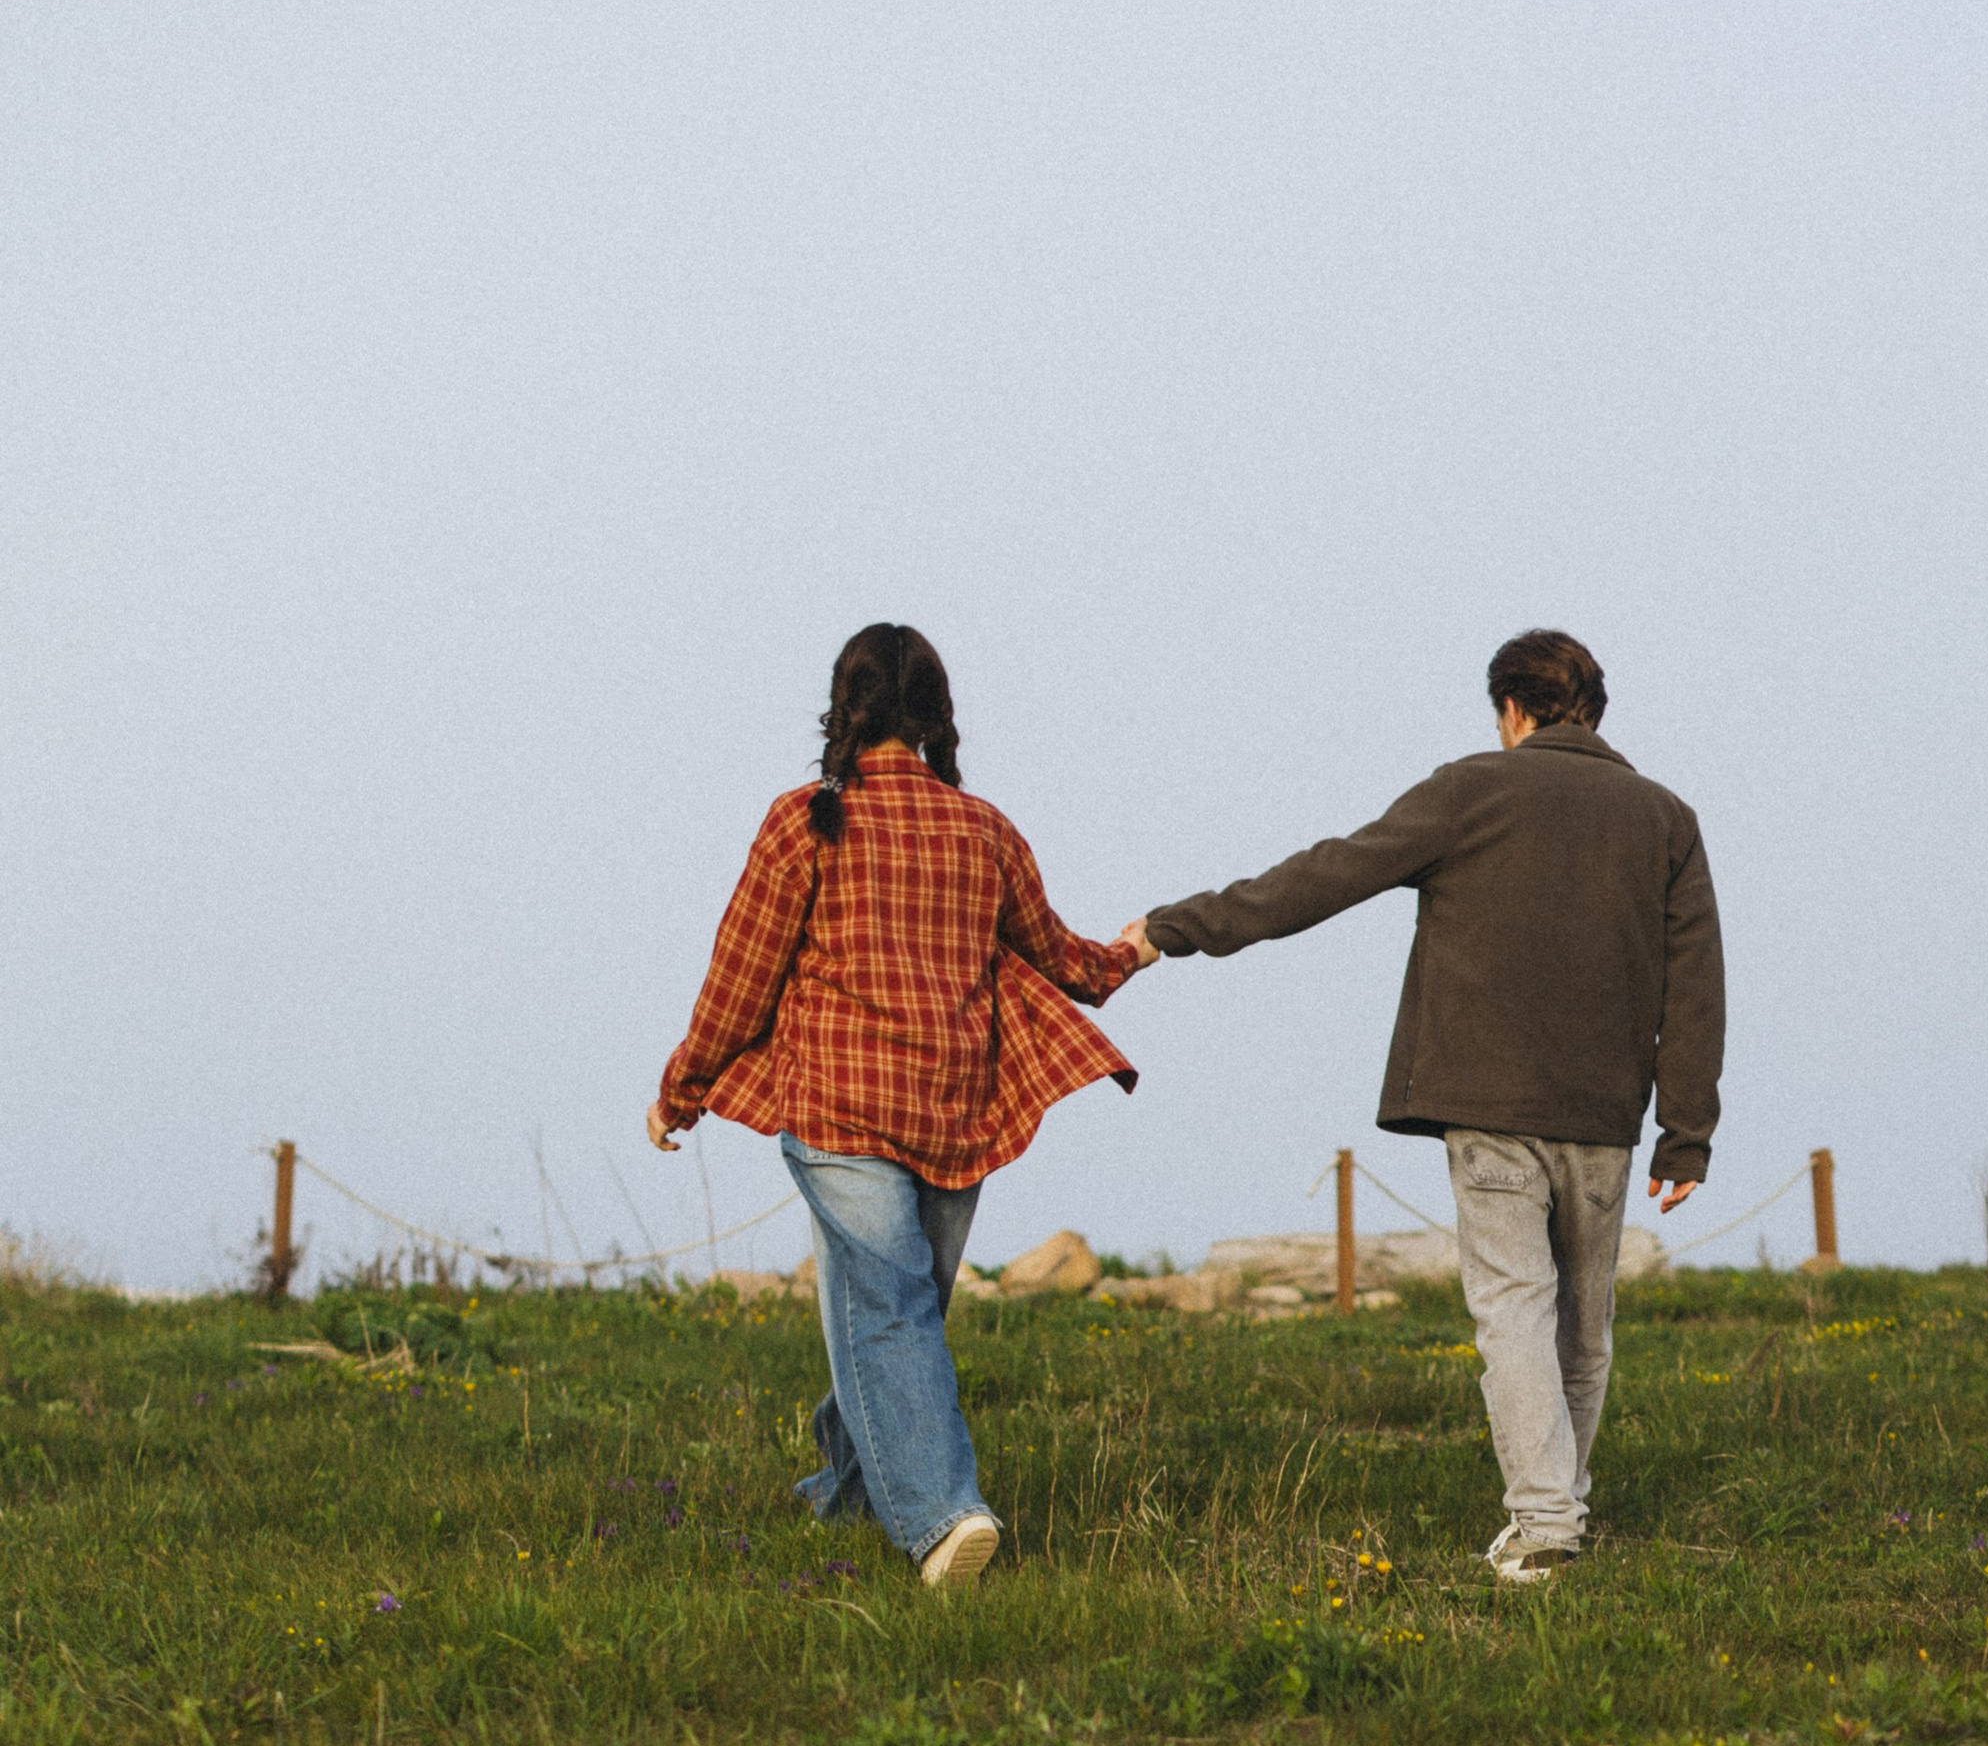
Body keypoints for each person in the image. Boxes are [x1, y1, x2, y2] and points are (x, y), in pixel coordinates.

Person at [1121, 630, 1721, 1582]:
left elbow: (1326, 875)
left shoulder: (1472, 788)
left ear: (1512, 713)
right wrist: (1685, 1137)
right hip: (1607, 1114)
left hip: (1488, 1104)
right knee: (1583, 1325)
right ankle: (1559, 1503)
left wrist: (1176, 929)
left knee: (1516, 1310)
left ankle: (1544, 1523)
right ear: (1596, 712)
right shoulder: (1666, 818)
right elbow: (1695, 983)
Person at [650, 624, 1143, 1584]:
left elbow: (741, 976)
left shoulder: (803, 820)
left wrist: (683, 1086)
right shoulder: (984, 829)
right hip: (952, 1111)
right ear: (935, 714)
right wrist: (1133, 951)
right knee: (897, 1306)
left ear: (847, 705)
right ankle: (939, 1514)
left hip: (840, 1102)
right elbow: (1065, 960)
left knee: (888, 1309)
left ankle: (905, 1509)